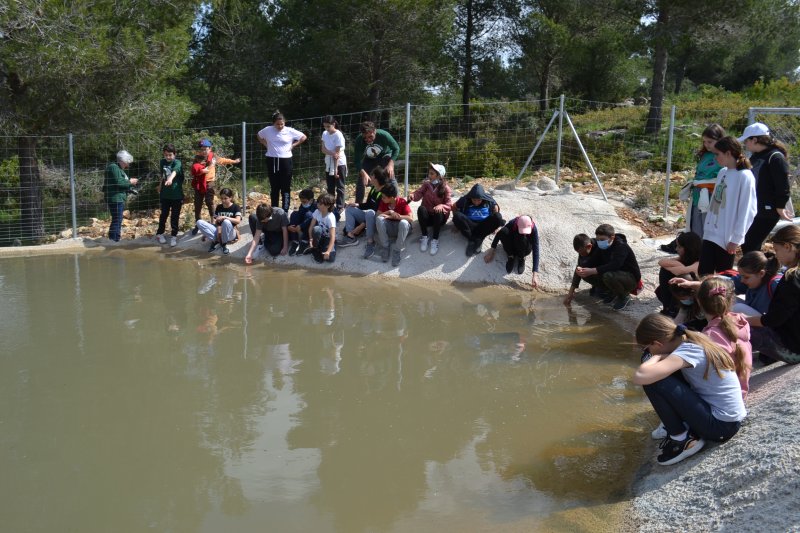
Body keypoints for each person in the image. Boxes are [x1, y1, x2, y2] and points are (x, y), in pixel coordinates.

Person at [632, 313, 747, 466]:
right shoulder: (692, 339)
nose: (647, 351)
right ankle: (679, 424)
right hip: (728, 419)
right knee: (660, 372)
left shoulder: (688, 351)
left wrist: (657, 358)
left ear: (657, 343)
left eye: (647, 347)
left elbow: (640, 377)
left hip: (721, 427)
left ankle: (683, 439)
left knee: (653, 380)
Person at [698, 136, 757, 275]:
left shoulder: (745, 176)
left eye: (717, 154)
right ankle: (698, 297)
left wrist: (736, 238)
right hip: (710, 233)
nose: (715, 158)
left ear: (729, 153)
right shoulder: (722, 172)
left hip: (726, 238)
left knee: (722, 277)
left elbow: (747, 210)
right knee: (703, 273)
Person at [746, 225, 800, 364]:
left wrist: (743, 320)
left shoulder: (792, 277)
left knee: (735, 328)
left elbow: (774, 319)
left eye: (777, 250)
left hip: (794, 350)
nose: (776, 255)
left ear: (788, 247)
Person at [739, 122, 793, 253]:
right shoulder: (756, 156)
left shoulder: (775, 157)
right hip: (756, 208)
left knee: (750, 244)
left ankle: (759, 271)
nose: (745, 144)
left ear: (755, 139)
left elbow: (783, 185)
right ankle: (757, 270)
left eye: (747, 140)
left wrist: (780, 206)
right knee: (749, 244)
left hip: (768, 211)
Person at [695, 277, 752, 400]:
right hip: (740, 393)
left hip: (726, 400)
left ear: (699, 301)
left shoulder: (709, 337)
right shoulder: (741, 323)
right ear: (731, 300)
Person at [575, 224, 641, 311]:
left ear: (612, 237)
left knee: (607, 275)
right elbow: (593, 261)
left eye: (602, 239)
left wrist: (593, 270)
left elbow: (615, 265)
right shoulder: (601, 247)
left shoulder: (621, 246)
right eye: (598, 240)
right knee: (587, 274)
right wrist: (582, 268)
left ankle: (624, 296)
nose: (599, 242)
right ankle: (613, 292)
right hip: (616, 275)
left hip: (630, 279)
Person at [257, 111, 307, 211]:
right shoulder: (267, 130)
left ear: (285, 123)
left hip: (286, 160)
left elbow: (303, 137)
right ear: (273, 123)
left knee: (285, 187)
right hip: (272, 160)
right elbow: (259, 135)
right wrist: (265, 144)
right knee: (274, 187)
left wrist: (293, 145)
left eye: (282, 124)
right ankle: (274, 209)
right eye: (277, 124)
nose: (280, 126)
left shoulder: (290, 131)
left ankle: (285, 209)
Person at [190, 139, 241, 235]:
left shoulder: (213, 157)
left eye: (206, 149)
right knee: (197, 204)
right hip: (199, 183)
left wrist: (233, 161)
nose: (204, 151)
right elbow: (193, 169)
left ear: (210, 149)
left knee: (210, 203)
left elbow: (222, 160)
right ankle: (198, 224)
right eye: (202, 149)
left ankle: (213, 222)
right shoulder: (197, 158)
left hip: (210, 183)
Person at [685, 124, 726, 238]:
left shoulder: (724, 156)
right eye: (704, 141)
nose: (706, 144)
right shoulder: (705, 154)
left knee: (708, 230)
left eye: (710, 141)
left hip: (713, 199)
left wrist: (701, 183)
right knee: (696, 228)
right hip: (698, 197)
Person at [484, 215, 541, 288]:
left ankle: (521, 258)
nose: (525, 233)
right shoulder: (513, 223)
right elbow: (500, 233)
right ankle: (511, 256)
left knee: (522, 237)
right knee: (504, 231)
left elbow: (536, 249)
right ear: (517, 224)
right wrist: (491, 252)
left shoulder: (533, 229)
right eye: (523, 231)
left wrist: (534, 275)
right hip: (514, 244)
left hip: (524, 247)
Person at [409, 163, 452, 256]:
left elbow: (449, 205)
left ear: (439, 175)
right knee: (421, 209)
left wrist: (442, 206)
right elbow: (418, 193)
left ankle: (435, 240)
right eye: (429, 173)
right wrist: (413, 195)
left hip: (439, 219)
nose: (429, 176)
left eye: (432, 174)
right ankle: (425, 237)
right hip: (428, 218)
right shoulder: (426, 185)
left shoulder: (446, 188)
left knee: (438, 211)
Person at [655, 231, 701, 317]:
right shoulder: (685, 257)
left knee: (682, 278)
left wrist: (679, 267)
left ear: (688, 248)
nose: (676, 249)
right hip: (681, 295)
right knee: (665, 270)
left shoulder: (699, 262)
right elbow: (661, 262)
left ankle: (673, 310)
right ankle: (667, 308)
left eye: (679, 247)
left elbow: (679, 271)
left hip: (695, 298)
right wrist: (679, 265)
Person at [353, 121, 401, 204]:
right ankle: (358, 204)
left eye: (370, 137)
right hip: (369, 158)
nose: (368, 139)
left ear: (374, 131)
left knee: (390, 176)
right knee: (361, 179)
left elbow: (396, 148)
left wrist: (391, 164)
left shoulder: (383, 135)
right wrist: (363, 173)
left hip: (384, 155)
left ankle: (397, 203)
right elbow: (357, 160)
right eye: (365, 137)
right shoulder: (359, 140)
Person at [452, 183, 504, 257]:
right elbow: (454, 206)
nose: (476, 202)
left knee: (498, 217)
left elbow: (496, 207)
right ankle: (476, 239)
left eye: (479, 200)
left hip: (484, 224)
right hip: (470, 223)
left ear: (482, 197)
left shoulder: (488, 198)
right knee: (457, 216)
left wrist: (495, 226)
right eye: (474, 200)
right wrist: (456, 224)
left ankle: (473, 240)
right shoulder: (465, 199)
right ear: (471, 197)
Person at [729, 251, 783, 316]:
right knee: (726, 300)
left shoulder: (776, 285)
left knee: (737, 308)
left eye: (746, 277)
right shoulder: (754, 279)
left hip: (768, 322)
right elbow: (728, 284)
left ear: (761, 273)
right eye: (741, 276)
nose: (742, 280)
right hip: (759, 319)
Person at [103, 150, 138, 242]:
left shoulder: (116, 168)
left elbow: (118, 182)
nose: (127, 165)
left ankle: (114, 239)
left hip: (117, 197)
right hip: (115, 198)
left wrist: (129, 185)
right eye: (127, 163)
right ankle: (114, 240)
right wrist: (130, 182)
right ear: (122, 160)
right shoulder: (114, 168)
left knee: (117, 219)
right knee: (117, 219)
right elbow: (119, 183)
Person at [375, 182, 413, 267]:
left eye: (384, 197)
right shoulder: (383, 202)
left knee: (404, 222)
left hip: (401, 228)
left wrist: (398, 217)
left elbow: (410, 218)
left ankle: (397, 250)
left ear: (392, 198)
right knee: (379, 219)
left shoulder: (402, 202)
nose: (382, 198)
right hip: (390, 228)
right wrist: (390, 212)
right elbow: (378, 215)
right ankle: (385, 247)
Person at [196, 187, 241, 255]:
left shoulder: (236, 207)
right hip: (218, 232)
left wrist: (225, 217)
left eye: (225, 198)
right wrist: (205, 233)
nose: (223, 200)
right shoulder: (219, 207)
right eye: (222, 198)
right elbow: (215, 221)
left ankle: (223, 244)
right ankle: (217, 241)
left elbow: (238, 221)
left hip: (230, 233)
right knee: (199, 222)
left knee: (226, 222)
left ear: (230, 198)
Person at [155, 144, 184, 247]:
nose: (168, 157)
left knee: (175, 216)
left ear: (174, 154)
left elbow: (175, 171)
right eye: (166, 155)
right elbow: (162, 175)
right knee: (164, 215)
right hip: (165, 195)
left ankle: (174, 236)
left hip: (176, 195)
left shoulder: (177, 162)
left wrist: (170, 179)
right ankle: (159, 233)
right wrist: (160, 186)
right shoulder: (162, 162)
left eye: (170, 155)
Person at [563, 233, 604, 305]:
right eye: (579, 253)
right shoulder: (583, 248)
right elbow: (579, 267)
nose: (581, 255)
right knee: (581, 272)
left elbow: (611, 266)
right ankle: (598, 286)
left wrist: (593, 271)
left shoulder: (601, 247)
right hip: (598, 271)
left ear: (589, 246)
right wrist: (571, 292)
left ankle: (609, 290)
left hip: (610, 273)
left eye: (582, 253)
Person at [321, 115, 347, 214]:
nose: (326, 129)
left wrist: (335, 170)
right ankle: (330, 205)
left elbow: (337, 155)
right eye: (325, 126)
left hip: (339, 163)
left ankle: (340, 206)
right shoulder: (324, 133)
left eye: (328, 126)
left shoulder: (338, 135)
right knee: (330, 186)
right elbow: (323, 149)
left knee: (340, 186)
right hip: (329, 161)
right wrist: (332, 153)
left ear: (334, 124)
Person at [308, 193, 337, 264]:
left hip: (328, 238)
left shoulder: (330, 217)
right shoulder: (317, 212)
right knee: (316, 229)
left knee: (330, 259)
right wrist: (311, 239)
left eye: (320, 204)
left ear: (328, 206)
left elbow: (332, 236)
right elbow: (311, 227)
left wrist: (328, 251)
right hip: (320, 236)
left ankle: (323, 248)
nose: (318, 205)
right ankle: (315, 249)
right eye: (318, 203)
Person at [287, 188, 317, 256]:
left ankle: (304, 241)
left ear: (311, 200)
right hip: (303, 224)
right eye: (301, 201)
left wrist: (301, 226)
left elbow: (311, 218)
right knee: (294, 214)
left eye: (304, 202)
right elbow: (300, 214)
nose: (303, 203)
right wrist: (290, 226)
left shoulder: (316, 205)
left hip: (311, 225)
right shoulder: (303, 205)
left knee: (309, 214)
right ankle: (295, 241)